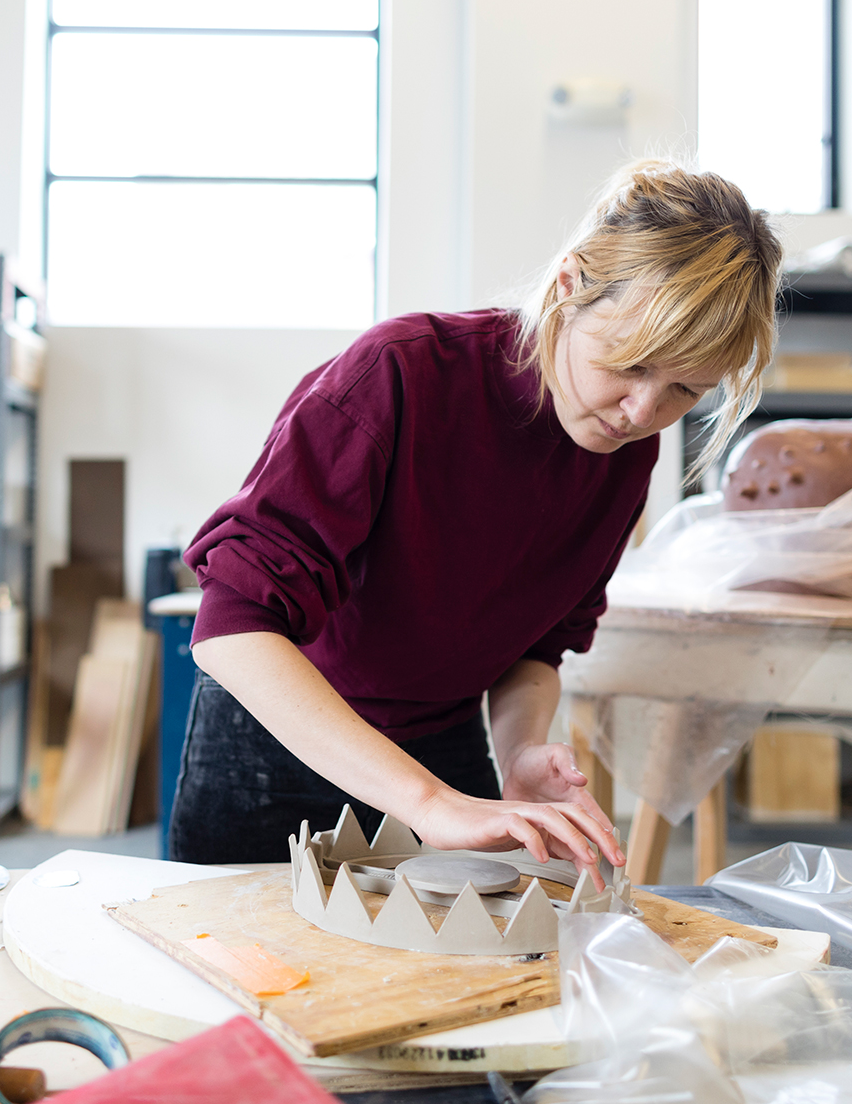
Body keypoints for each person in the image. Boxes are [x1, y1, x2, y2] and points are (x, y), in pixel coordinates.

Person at [169, 159, 782, 887]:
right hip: (281, 742)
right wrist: (426, 802)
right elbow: (232, 631)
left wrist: (520, 751)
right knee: (241, 981)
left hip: (443, 744)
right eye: (631, 363)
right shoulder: (399, 376)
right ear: (569, 286)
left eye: (687, 388)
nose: (645, 412)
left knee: (446, 985)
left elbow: (540, 647)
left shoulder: (625, 451)